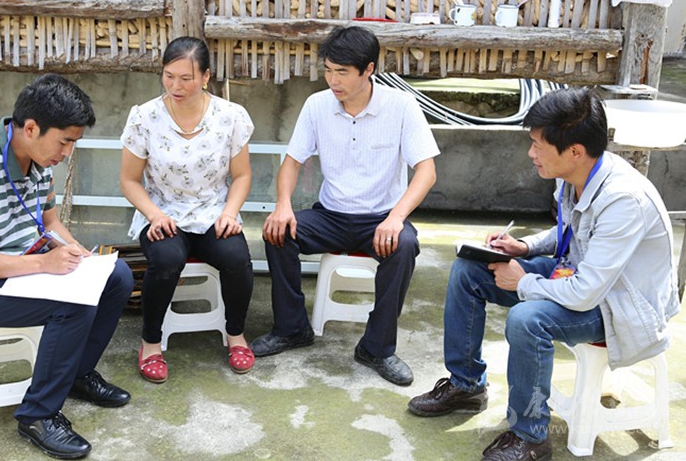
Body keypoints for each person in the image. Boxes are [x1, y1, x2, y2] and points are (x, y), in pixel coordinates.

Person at [408, 87, 681, 461]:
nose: (531, 153)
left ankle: (530, 435)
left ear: (574, 151)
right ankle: (466, 384)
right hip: (582, 276)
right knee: (471, 269)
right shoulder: (574, 174)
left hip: (622, 305)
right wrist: (524, 247)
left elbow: (585, 294)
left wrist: (523, 282)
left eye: (538, 144)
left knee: (527, 319)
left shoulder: (623, 200)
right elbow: (570, 231)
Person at [0, 74, 134, 460]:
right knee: (72, 305)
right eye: (65, 141)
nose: (67, 153)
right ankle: (38, 415)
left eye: (74, 142)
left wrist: (76, 252)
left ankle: (76, 374)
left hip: (18, 263)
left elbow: (49, 221)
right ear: (32, 128)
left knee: (116, 277)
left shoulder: (38, 156)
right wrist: (44, 263)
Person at [250, 26, 440, 386]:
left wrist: (396, 218)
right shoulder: (317, 105)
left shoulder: (401, 106)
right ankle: (292, 329)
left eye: (342, 72)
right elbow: (292, 162)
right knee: (277, 232)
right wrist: (283, 205)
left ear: (368, 70)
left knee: (405, 245)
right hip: (331, 216)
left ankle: (376, 348)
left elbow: (427, 171)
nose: (332, 80)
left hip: (381, 219)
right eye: (328, 70)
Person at [120, 36, 255, 383]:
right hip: (163, 211)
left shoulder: (230, 116)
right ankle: (151, 343)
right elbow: (129, 180)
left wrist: (229, 213)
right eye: (169, 76)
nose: (175, 86)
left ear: (206, 77)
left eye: (186, 78)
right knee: (166, 260)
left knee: (237, 258)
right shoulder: (144, 117)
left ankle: (236, 335)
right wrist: (154, 215)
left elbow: (241, 176)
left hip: (213, 211)